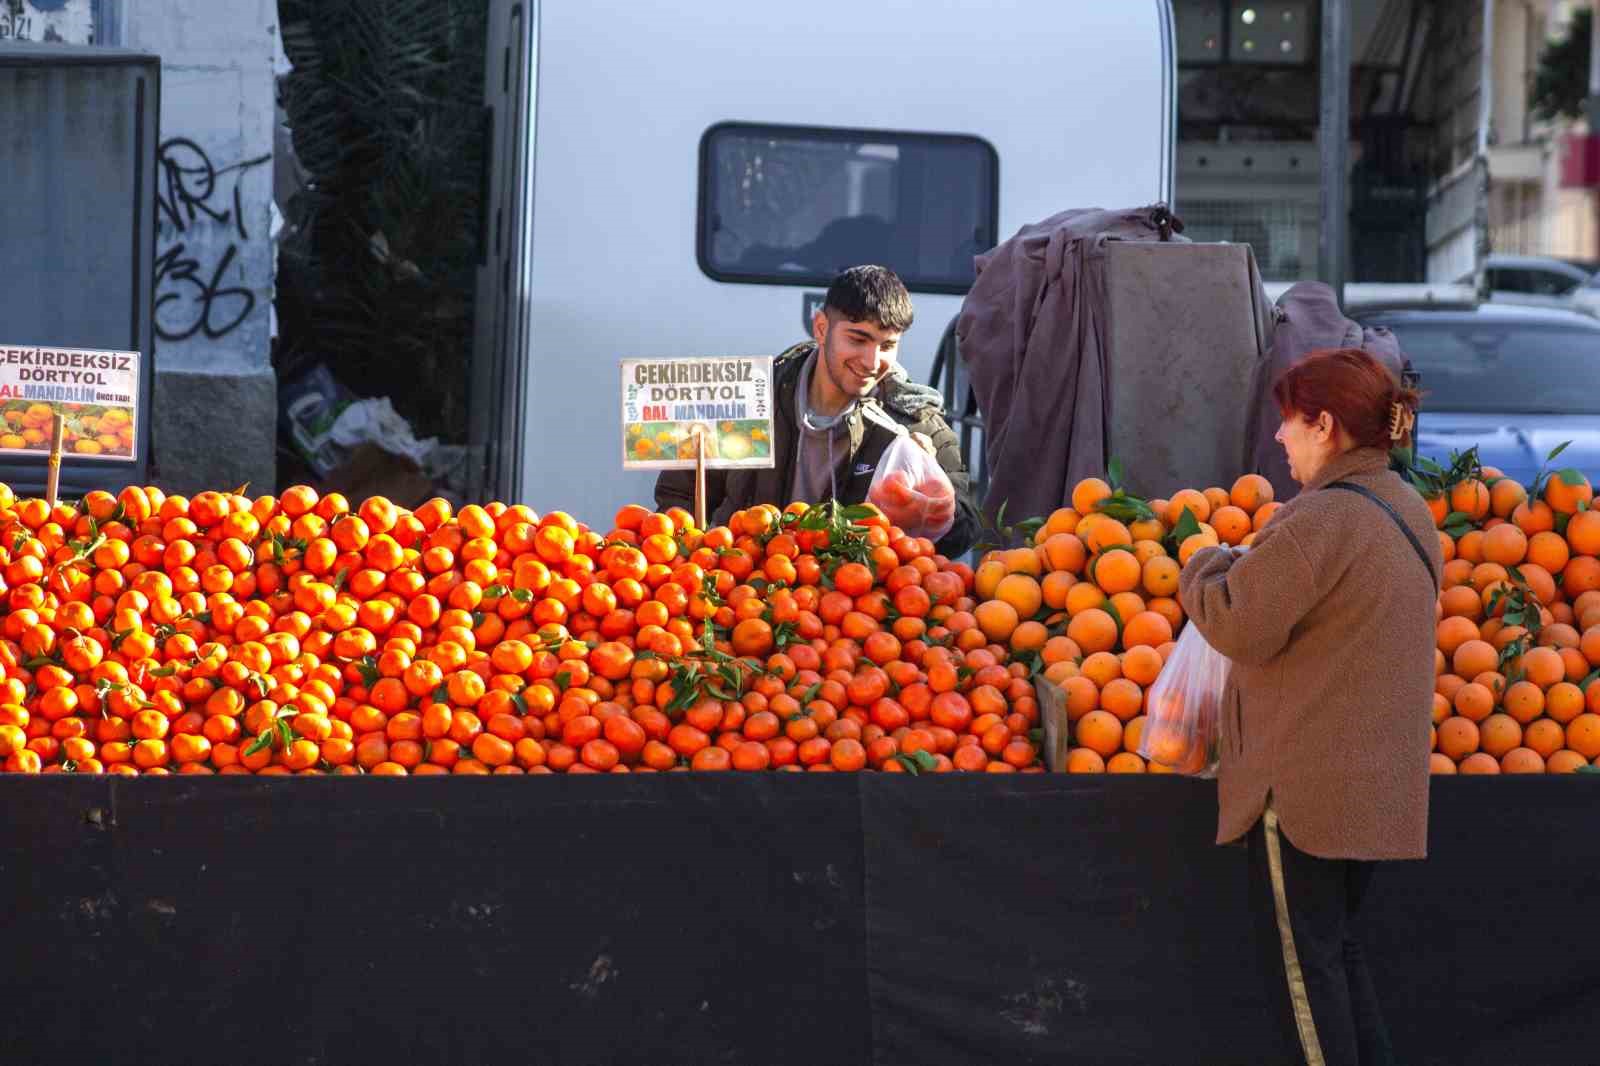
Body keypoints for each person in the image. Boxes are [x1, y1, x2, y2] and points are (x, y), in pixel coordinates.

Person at [1178, 348, 1441, 1066]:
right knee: (1338, 956)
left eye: (1289, 424)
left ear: (1324, 426)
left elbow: (1235, 621)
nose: (1280, 440)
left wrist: (1200, 562)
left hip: (1306, 793)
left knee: (1306, 978)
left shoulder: (1322, 519)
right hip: (1377, 790)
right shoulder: (1407, 508)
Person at [655, 265, 980, 556]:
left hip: (852, 608)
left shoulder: (913, 420)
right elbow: (679, 493)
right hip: (742, 594)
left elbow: (965, 529)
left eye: (887, 346)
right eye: (858, 339)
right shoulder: (752, 397)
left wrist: (933, 505)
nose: (871, 361)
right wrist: (691, 558)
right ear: (822, 328)